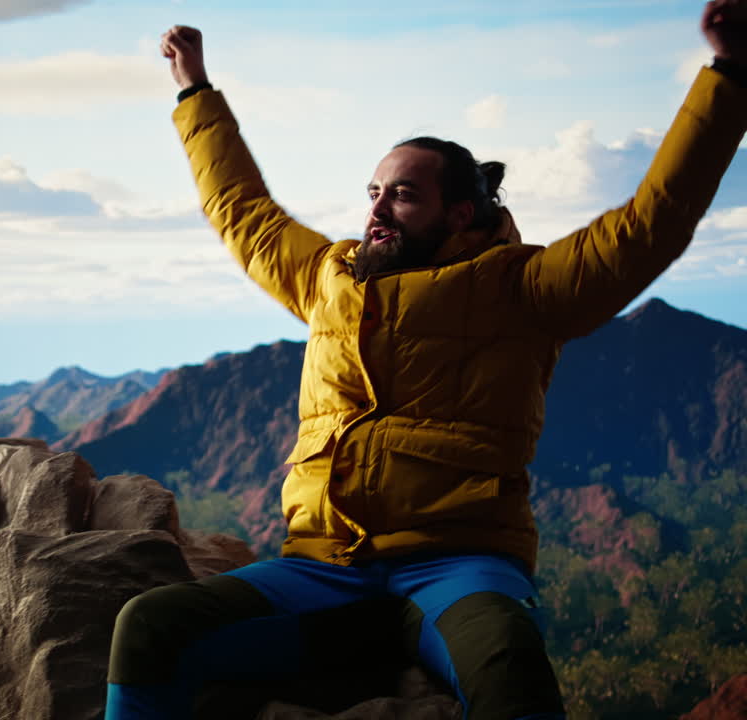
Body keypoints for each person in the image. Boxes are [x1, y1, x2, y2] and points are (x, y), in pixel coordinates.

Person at [105, 3, 747, 719]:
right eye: (374, 192)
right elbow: (240, 208)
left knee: (509, 664)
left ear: (460, 215)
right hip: (321, 567)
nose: (378, 208)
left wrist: (727, 74)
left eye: (404, 195)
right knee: (150, 626)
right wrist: (194, 88)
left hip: (459, 567)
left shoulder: (523, 289)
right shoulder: (328, 276)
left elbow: (649, 225)